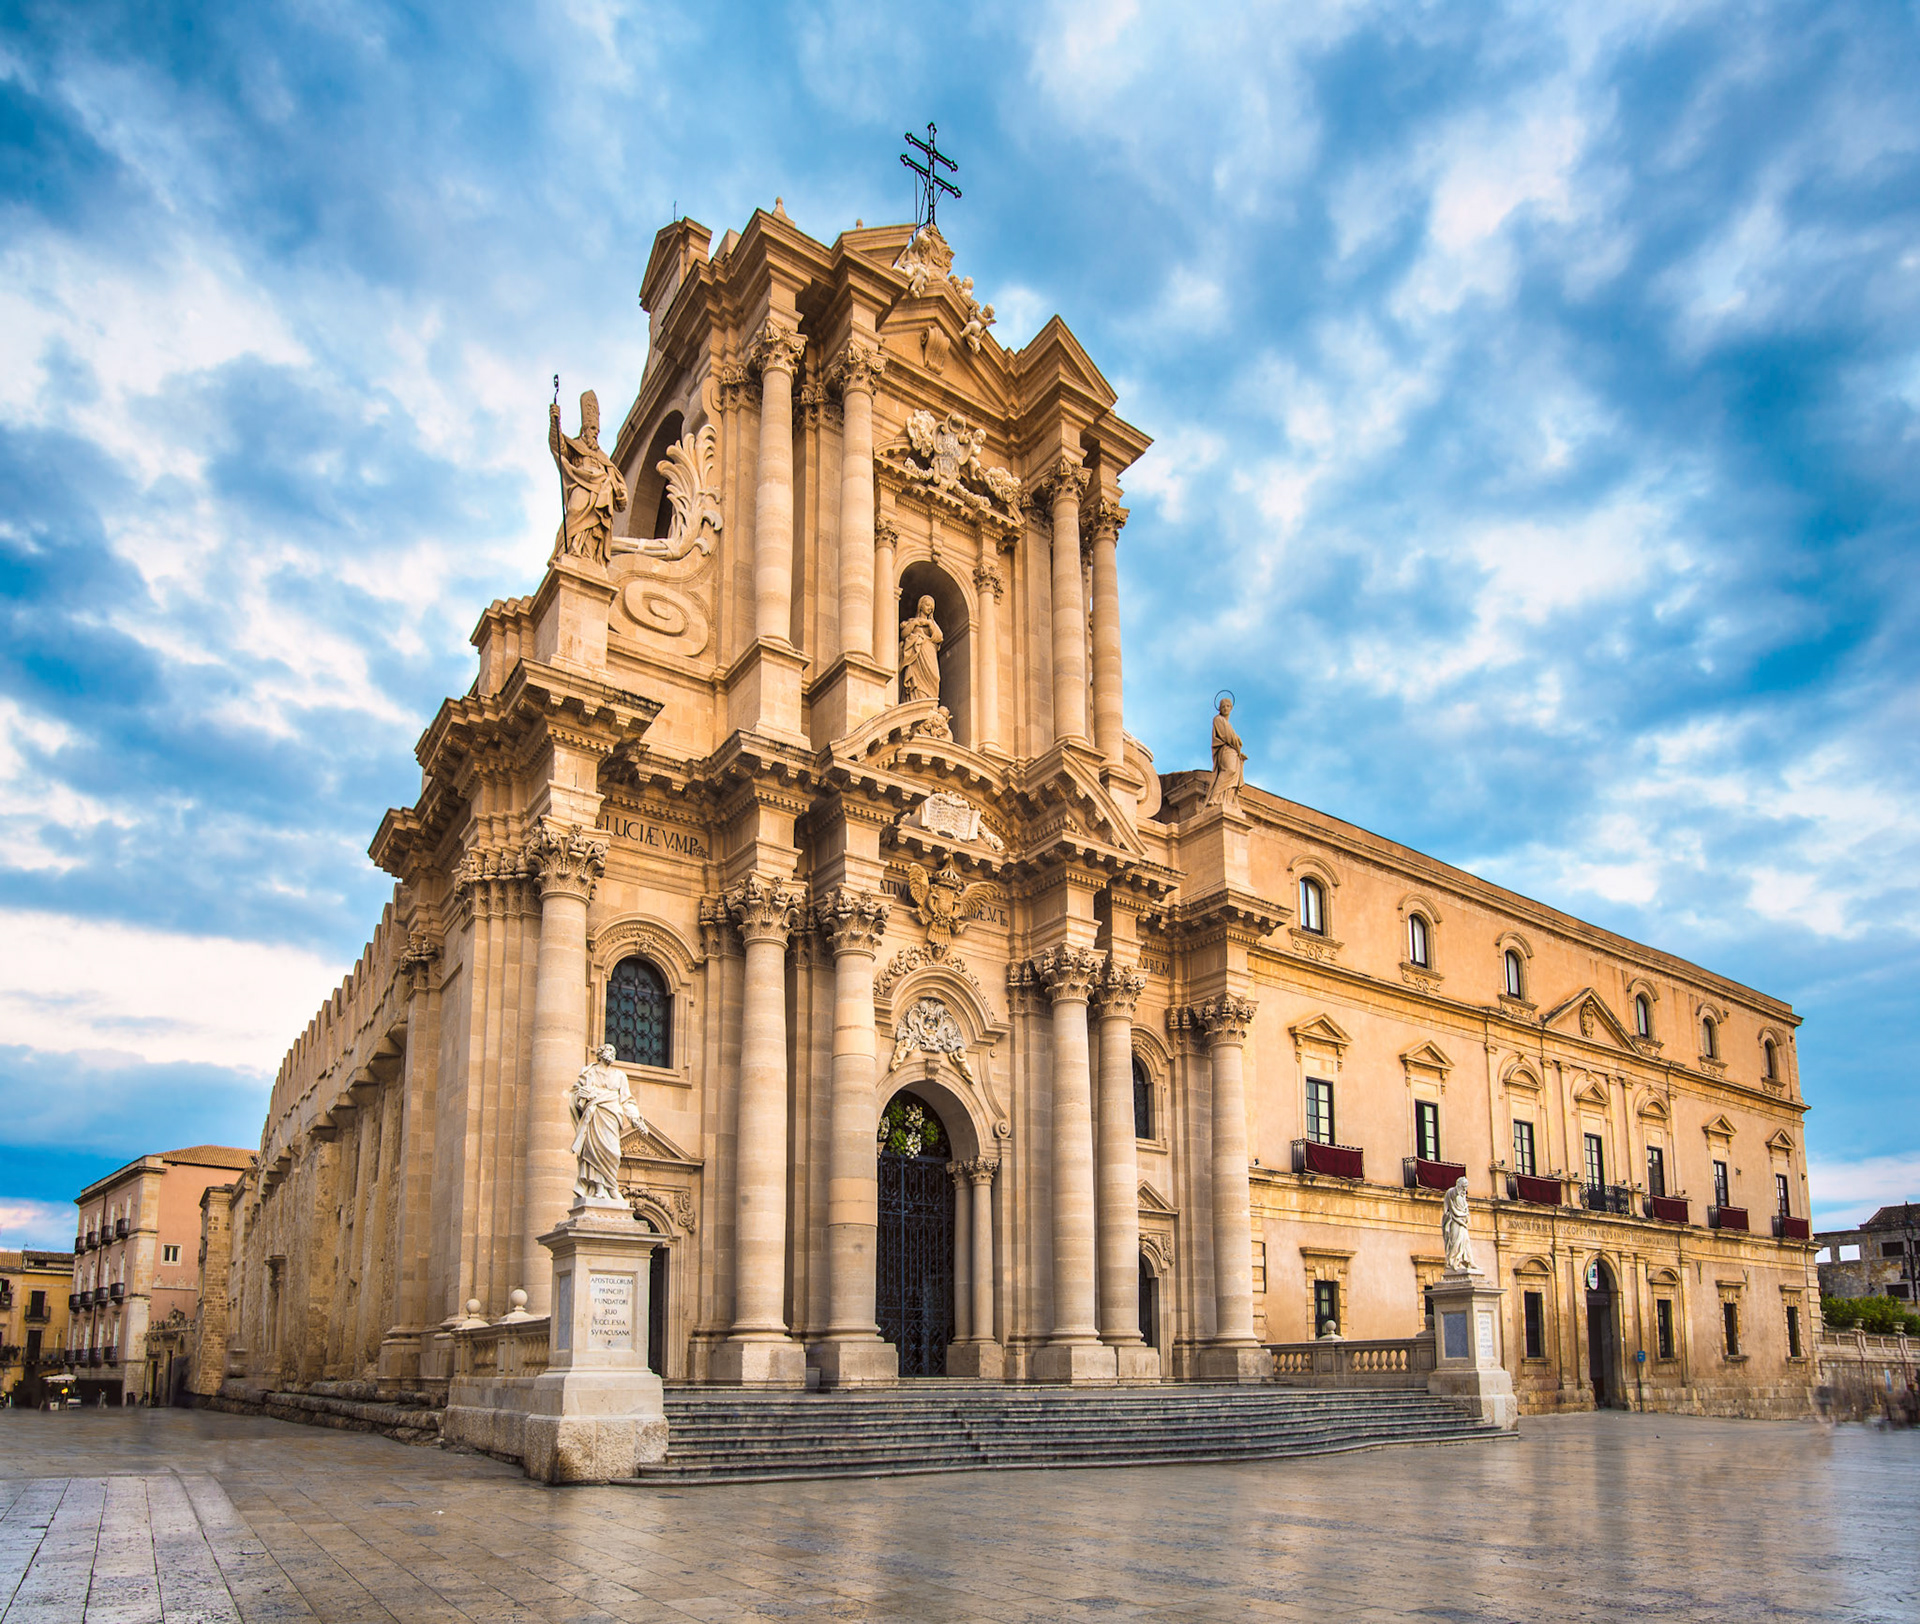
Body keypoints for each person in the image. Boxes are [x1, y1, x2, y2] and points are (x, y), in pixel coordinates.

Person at [570, 1044, 647, 1202]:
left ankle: (611, 1185)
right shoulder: (589, 1073)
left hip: (612, 1116)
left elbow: (627, 1100)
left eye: (613, 1051)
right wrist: (580, 1097)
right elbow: (577, 1095)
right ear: (600, 1054)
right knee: (595, 1151)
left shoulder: (620, 1075)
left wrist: (635, 1119)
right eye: (608, 1050)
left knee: (614, 1152)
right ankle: (600, 1187)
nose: (612, 1053)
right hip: (595, 1115)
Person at [899, 594, 943, 702]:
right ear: (921, 606)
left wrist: (928, 624)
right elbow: (904, 634)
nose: (929, 608)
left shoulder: (932, 623)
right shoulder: (912, 621)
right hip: (916, 653)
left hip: (929, 652)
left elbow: (939, 637)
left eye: (931, 607)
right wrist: (914, 623)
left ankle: (930, 701)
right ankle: (917, 700)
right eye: (927, 605)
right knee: (917, 681)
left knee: (935, 677)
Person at [1204, 695, 1244, 809]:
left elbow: (1232, 737)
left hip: (1233, 752)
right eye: (1223, 707)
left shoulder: (1229, 724)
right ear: (1220, 709)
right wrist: (1238, 743)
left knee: (1233, 775)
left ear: (1231, 708)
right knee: (1229, 770)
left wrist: (1238, 747)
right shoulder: (1218, 719)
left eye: (1227, 706)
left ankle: (1226, 799)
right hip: (1226, 750)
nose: (1225, 708)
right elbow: (1227, 736)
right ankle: (1214, 797)